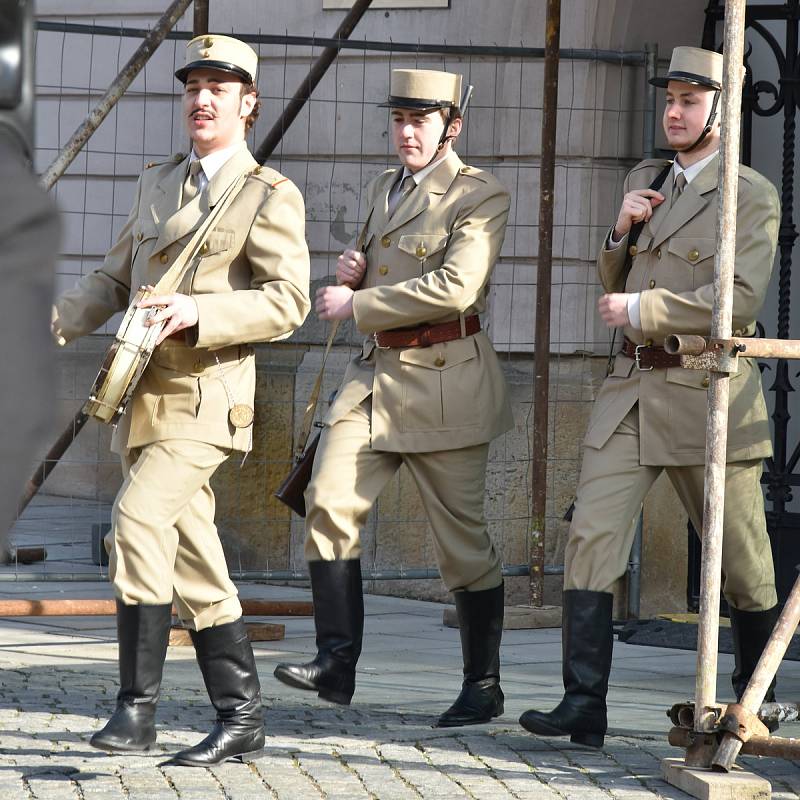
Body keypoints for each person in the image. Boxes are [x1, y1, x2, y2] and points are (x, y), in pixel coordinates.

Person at [51, 34, 310, 765]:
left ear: (248, 104)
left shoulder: (269, 194)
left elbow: (288, 301)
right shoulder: (157, 182)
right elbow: (112, 275)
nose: (201, 99)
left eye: (218, 89)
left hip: (207, 397)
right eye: (193, 86)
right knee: (196, 564)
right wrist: (59, 317)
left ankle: (136, 711)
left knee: (134, 521)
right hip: (144, 399)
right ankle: (243, 719)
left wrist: (202, 313)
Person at [519, 46, 780, 748]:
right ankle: (584, 703)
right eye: (669, 99)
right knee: (591, 539)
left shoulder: (748, 192)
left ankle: (758, 696)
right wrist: (619, 229)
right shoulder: (647, 177)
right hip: (631, 390)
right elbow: (610, 271)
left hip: (705, 393)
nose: (673, 111)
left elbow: (742, 297)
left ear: (721, 110)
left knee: (742, 561)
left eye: (690, 101)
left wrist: (646, 310)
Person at [273, 68, 513, 728]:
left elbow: (458, 286)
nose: (406, 132)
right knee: (326, 499)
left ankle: (483, 685)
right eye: (398, 120)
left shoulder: (479, 193)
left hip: (445, 379)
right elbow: (382, 262)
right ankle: (335, 663)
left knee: (460, 544)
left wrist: (359, 299)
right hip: (376, 376)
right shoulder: (384, 187)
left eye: (421, 121)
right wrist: (355, 264)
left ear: (450, 127)